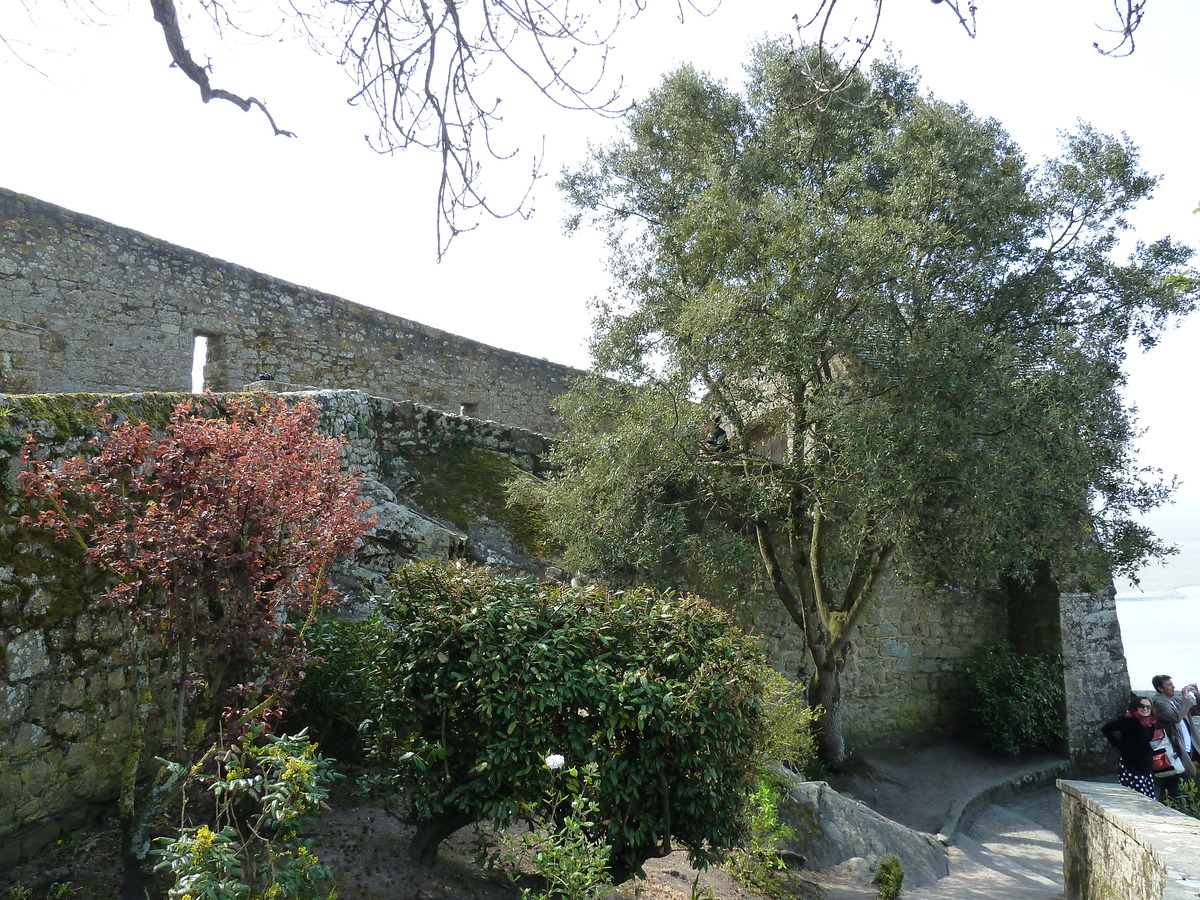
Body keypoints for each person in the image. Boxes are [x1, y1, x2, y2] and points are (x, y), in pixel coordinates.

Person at [1151, 674, 1200, 796]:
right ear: (1160, 688)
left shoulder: (1176, 701)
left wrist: (1197, 696)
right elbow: (1175, 717)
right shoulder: (1159, 703)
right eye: (1169, 685)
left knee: (1183, 782)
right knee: (1174, 784)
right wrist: (1185, 697)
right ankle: (1169, 808)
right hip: (1174, 751)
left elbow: (1197, 710)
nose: (1174, 687)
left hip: (1188, 747)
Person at [1101, 696, 1158, 800]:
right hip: (1131, 762)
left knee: (1148, 796)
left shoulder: (1151, 723)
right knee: (1137, 796)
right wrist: (1119, 744)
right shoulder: (1127, 720)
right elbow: (1106, 729)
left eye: (1148, 707)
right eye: (1142, 706)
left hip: (1145, 763)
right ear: (1136, 707)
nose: (1145, 709)